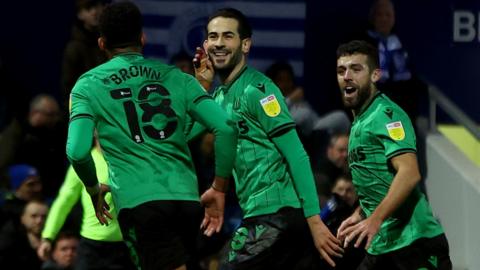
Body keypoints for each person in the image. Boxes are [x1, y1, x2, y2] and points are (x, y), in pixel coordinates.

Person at [66, 2, 237, 270]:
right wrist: (219, 187)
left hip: (141, 205)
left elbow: (76, 151)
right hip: (186, 201)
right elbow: (224, 127)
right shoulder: (178, 78)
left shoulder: (87, 86)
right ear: (143, 39)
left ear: (101, 43)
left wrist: (92, 187)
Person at [192, 8, 342, 269]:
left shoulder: (259, 90)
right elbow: (182, 134)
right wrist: (201, 87)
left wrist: (315, 220)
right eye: (213, 36)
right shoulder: (215, 98)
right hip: (260, 217)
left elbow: (296, 154)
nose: (218, 43)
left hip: (278, 215)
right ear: (205, 44)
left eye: (227, 36)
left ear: (245, 44)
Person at [335, 40, 451, 269]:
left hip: (416, 242)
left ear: (375, 75)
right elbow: (381, 181)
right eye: (341, 70)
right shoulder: (360, 122)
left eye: (356, 69)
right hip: (384, 245)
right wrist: (361, 212)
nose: (347, 76)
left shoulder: (387, 116)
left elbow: (409, 173)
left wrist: (374, 220)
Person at [38, 140, 136, 270]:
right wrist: (48, 236)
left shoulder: (131, 161)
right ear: (93, 131)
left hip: (126, 246)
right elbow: (64, 201)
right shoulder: (83, 162)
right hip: (91, 247)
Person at [61, 0, 107, 109]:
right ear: (80, 15)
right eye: (88, 9)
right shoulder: (74, 47)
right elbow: (68, 87)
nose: (94, 12)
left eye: (97, 6)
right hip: (87, 109)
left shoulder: (110, 41)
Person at [0, 200, 49, 269]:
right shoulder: (9, 242)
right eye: (33, 216)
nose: (39, 221)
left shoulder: (57, 241)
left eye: (44, 217)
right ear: (22, 219)